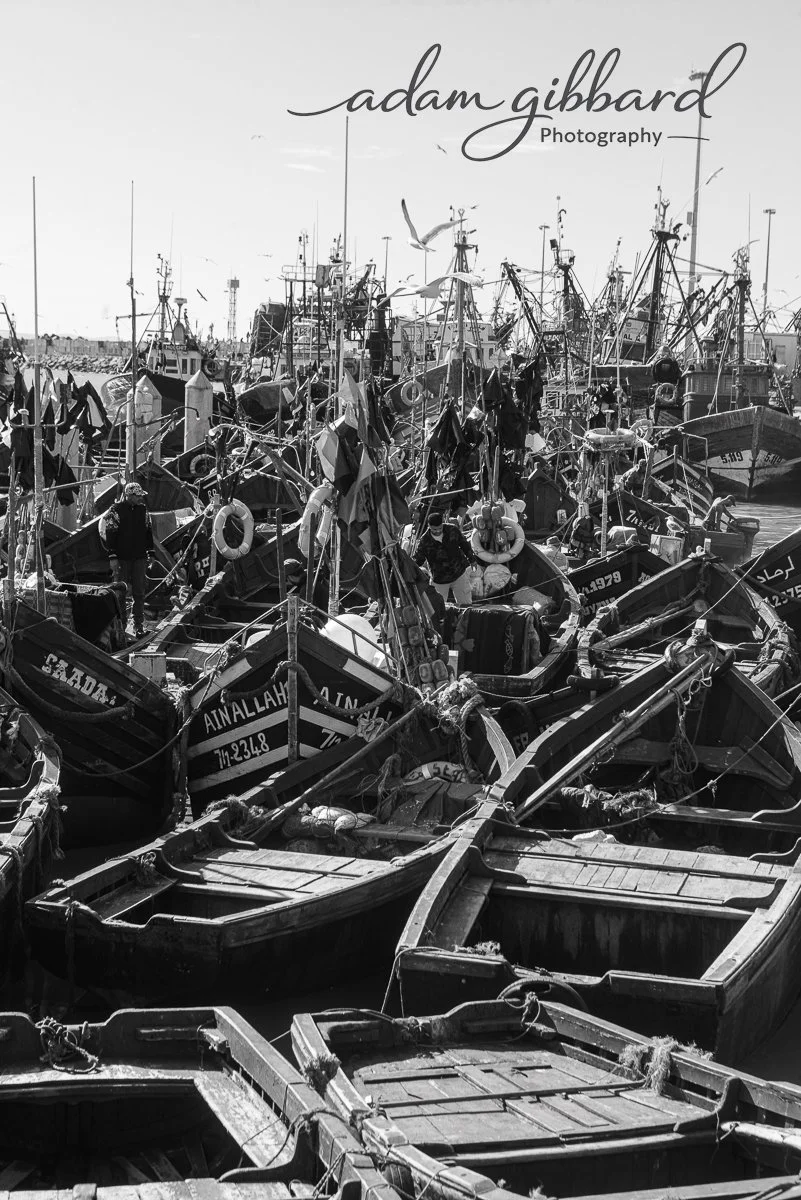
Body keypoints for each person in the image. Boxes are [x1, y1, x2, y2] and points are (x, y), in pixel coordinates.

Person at [104, 481, 154, 637]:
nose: (140, 499)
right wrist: (112, 557)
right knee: (120, 592)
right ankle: (121, 625)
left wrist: (150, 553)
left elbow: (148, 532)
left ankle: (138, 625)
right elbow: (110, 534)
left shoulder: (143, 510)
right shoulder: (115, 511)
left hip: (139, 557)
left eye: (140, 496)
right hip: (122, 558)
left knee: (139, 591)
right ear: (128, 495)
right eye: (137, 496)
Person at [413, 511, 477, 605]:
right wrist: (411, 569)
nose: (438, 531)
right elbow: (418, 560)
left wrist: (472, 560)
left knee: (466, 606)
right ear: (429, 526)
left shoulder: (452, 530)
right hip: (439, 580)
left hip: (458, 574)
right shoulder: (424, 541)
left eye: (440, 528)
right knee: (438, 609)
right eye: (434, 529)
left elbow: (465, 545)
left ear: (442, 523)